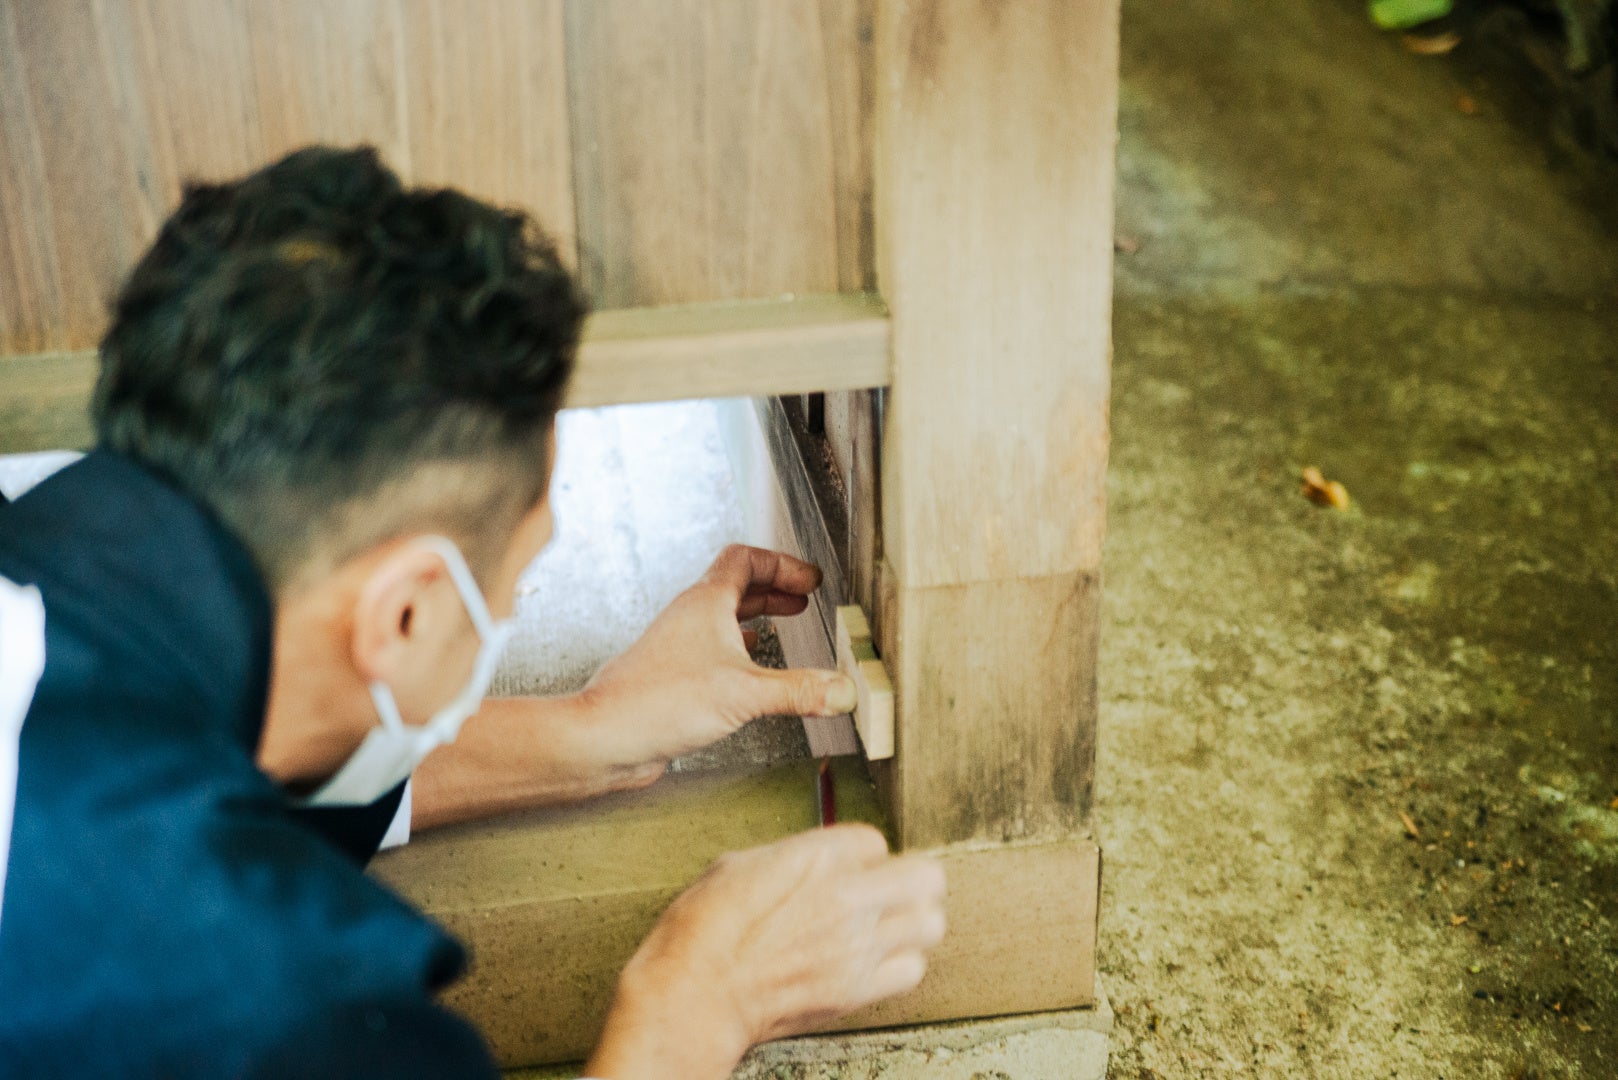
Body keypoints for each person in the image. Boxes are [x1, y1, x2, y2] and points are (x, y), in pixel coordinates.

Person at [0, 146, 946, 1079]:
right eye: (513, 573)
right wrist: (697, 1000)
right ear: (406, 614)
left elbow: (229, 743)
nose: (510, 599)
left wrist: (590, 731)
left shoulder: (56, 565)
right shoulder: (265, 1006)